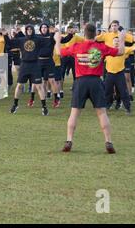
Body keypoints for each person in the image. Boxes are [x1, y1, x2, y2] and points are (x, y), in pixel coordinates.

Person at [54, 23, 126, 154]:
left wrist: (57, 39)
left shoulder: (77, 46)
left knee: (74, 113)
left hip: (81, 81)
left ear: (84, 33)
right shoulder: (101, 47)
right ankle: (108, 141)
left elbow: (59, 52)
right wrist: (121, 38)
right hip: (96, 82)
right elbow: (120, 52)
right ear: (96, 33)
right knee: (102, 113)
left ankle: (69, 140)